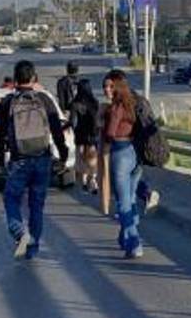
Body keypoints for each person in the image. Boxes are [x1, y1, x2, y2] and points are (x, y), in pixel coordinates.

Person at [0, 60, 69, 260]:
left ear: (15, 80)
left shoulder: (7, 103)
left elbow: (0, 134)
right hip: (42, 158)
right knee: (36, 205)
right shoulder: (44, 99)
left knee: (11, 198)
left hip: (19, 161)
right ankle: (32, 248)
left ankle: (19, 232)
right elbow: (56, 131)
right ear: (34, 78)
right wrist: (63, 154)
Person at [100, 69, 160, 259]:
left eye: (110, 86)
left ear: (118, 86)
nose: (107, 90)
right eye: (104, 86)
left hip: (120, 152)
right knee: (131, 199)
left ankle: (134, 242)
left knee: (123, 202)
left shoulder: (117, 107)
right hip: (136, 154)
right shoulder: (136, 101)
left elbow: (110, 133)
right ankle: (125, 237)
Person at [68, 77, 100, 194]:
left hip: (80, 136)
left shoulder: (75, 104)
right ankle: (93, 180)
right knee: (92, 159)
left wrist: (70, 128)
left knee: (81, 159)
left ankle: (85, 182)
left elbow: (73, 122)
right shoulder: (95, 103)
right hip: (93, 135)